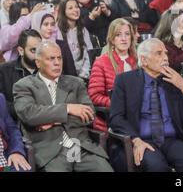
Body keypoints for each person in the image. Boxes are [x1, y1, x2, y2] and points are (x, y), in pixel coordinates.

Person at [13, 41, 113, 172]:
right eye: (51, 59)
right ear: (38, 63)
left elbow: (89, 115)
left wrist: (50, 119)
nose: (57, 63)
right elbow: (29, 114)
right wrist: (68, 108)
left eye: (59, 58)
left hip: (81, 148)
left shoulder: (75, 83)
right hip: (51, 153)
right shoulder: (24, 86)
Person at [109, 38, 183, 172]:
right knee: (157, 168)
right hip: (143, 140)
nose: (166, 58)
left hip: (171, 139)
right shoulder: (125, 81)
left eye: (166, 53)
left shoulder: (173, 81)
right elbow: (116, 118)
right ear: (144, 60)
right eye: (159, 54)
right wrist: (135, 140)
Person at [88, 19, 137, 132]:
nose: (124, 39)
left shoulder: (138, 60)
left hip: (137, 115)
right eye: (118, 35)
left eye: (127, 34)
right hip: (112, 118)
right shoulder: (101, 62)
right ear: (112, 39)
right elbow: (94, 96)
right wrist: (119, 104)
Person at [0, 30, 42, 120]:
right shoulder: (4, 71)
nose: (38, 55)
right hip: (14, 123)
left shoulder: (47, 69)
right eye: (33, 50)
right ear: (21, 50)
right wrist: (26, 111)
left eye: (40, 50)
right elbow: (2, 103)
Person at [0, 93, 32, 172]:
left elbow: (12, 130)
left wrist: (16, 151)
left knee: (23, 169)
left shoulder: (0, 99)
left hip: (4, 159)